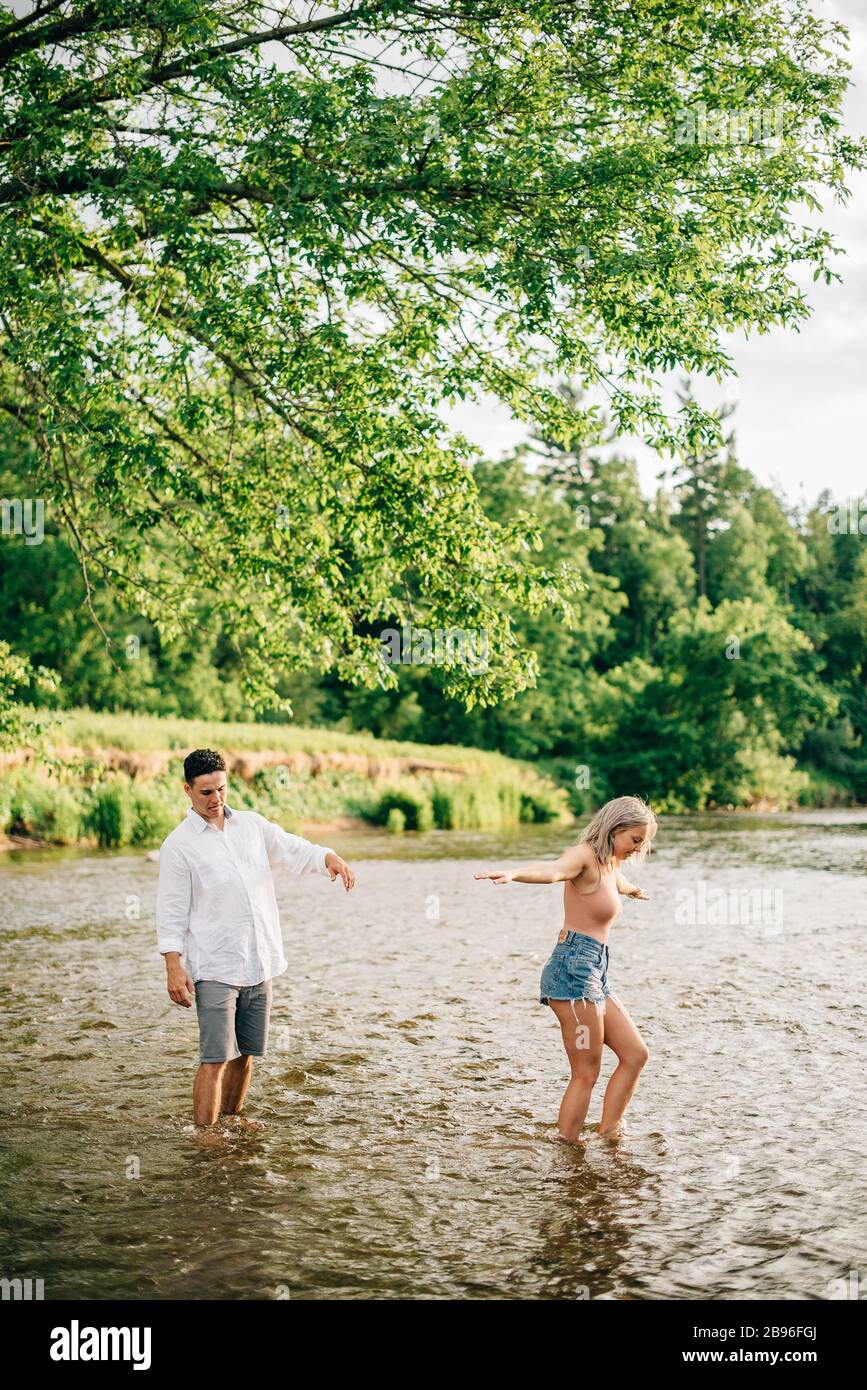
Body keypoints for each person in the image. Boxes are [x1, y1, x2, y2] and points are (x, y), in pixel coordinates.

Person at [155, 747, 356, 1130]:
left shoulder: (252, 825)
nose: (216, 800)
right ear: (187, 790)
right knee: (215, 1057)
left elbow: (293, 848)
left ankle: (232, 1120)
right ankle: (206, 1137)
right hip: (215, 966)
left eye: (222, 789)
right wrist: (173, 965)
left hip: (258, 960)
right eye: (206, 793)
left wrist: (327, 857)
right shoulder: (178, 847)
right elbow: (171, 911)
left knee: (246, 1054)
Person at [474, 795, 656, 1143]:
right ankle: (567, 1150)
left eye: (642, 842)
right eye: (634, 840)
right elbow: (553, 870)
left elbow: (617, 885)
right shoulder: (583, 856)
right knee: (586, 1072)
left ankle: (609, 1136)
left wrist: (633, 890)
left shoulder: (609, 865)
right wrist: (514, 874)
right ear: (615, 828)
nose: (637, 849)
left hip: (595, 972)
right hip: (572, 970)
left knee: (635, 1054)